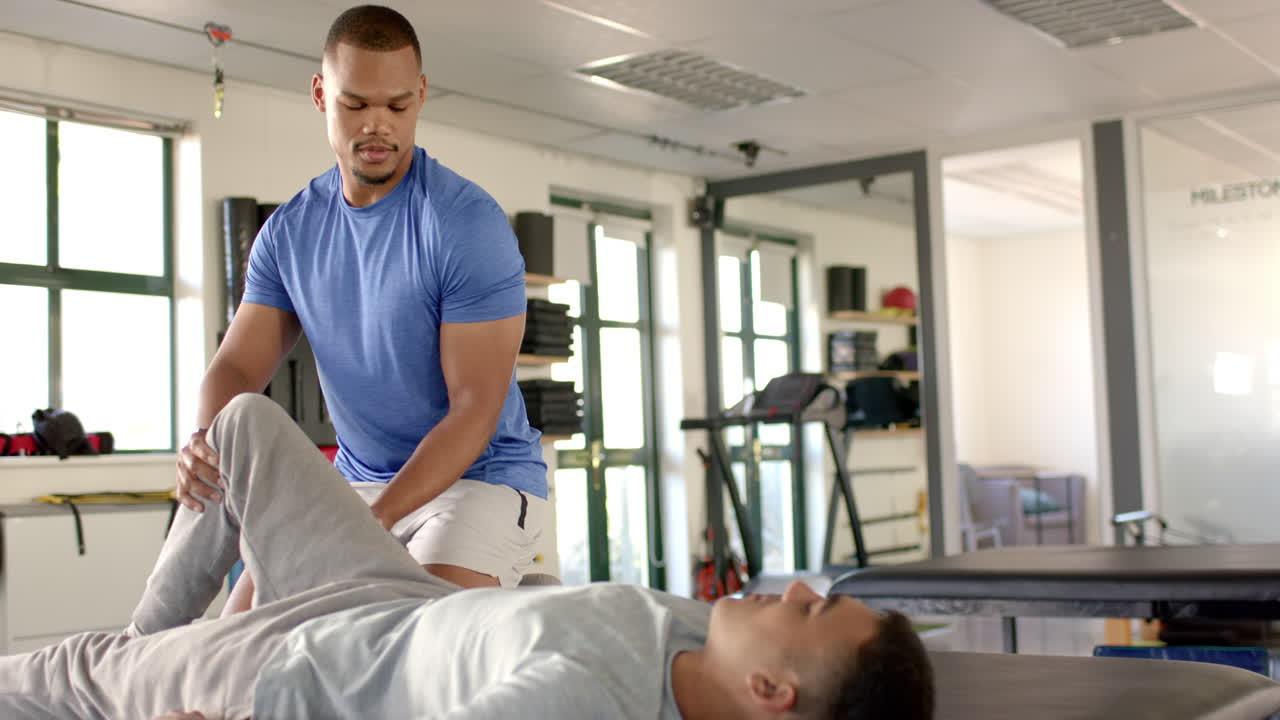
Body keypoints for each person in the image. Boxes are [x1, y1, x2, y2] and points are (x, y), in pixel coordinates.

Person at [0, 394, 935, 720]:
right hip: (390, 598)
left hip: (314, 667)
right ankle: (140, 661)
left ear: (772, 692)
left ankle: (127, 675)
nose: (804, 586)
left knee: (67, 670)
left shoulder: (579, 698)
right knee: (243, 426)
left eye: (811, 612)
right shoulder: (712, 642)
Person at [177, 4, 547, 606]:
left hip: (479, 481)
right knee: (242, 631)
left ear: (421, 96)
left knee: (403, 636)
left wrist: (369, 528)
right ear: (322, 95)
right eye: (356, 104)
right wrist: (200, 436)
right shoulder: (289, 233)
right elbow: (238, 368)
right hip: (357, 483)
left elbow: (475, 412)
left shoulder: (464, 224)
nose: (377, 125)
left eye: (397, 106)